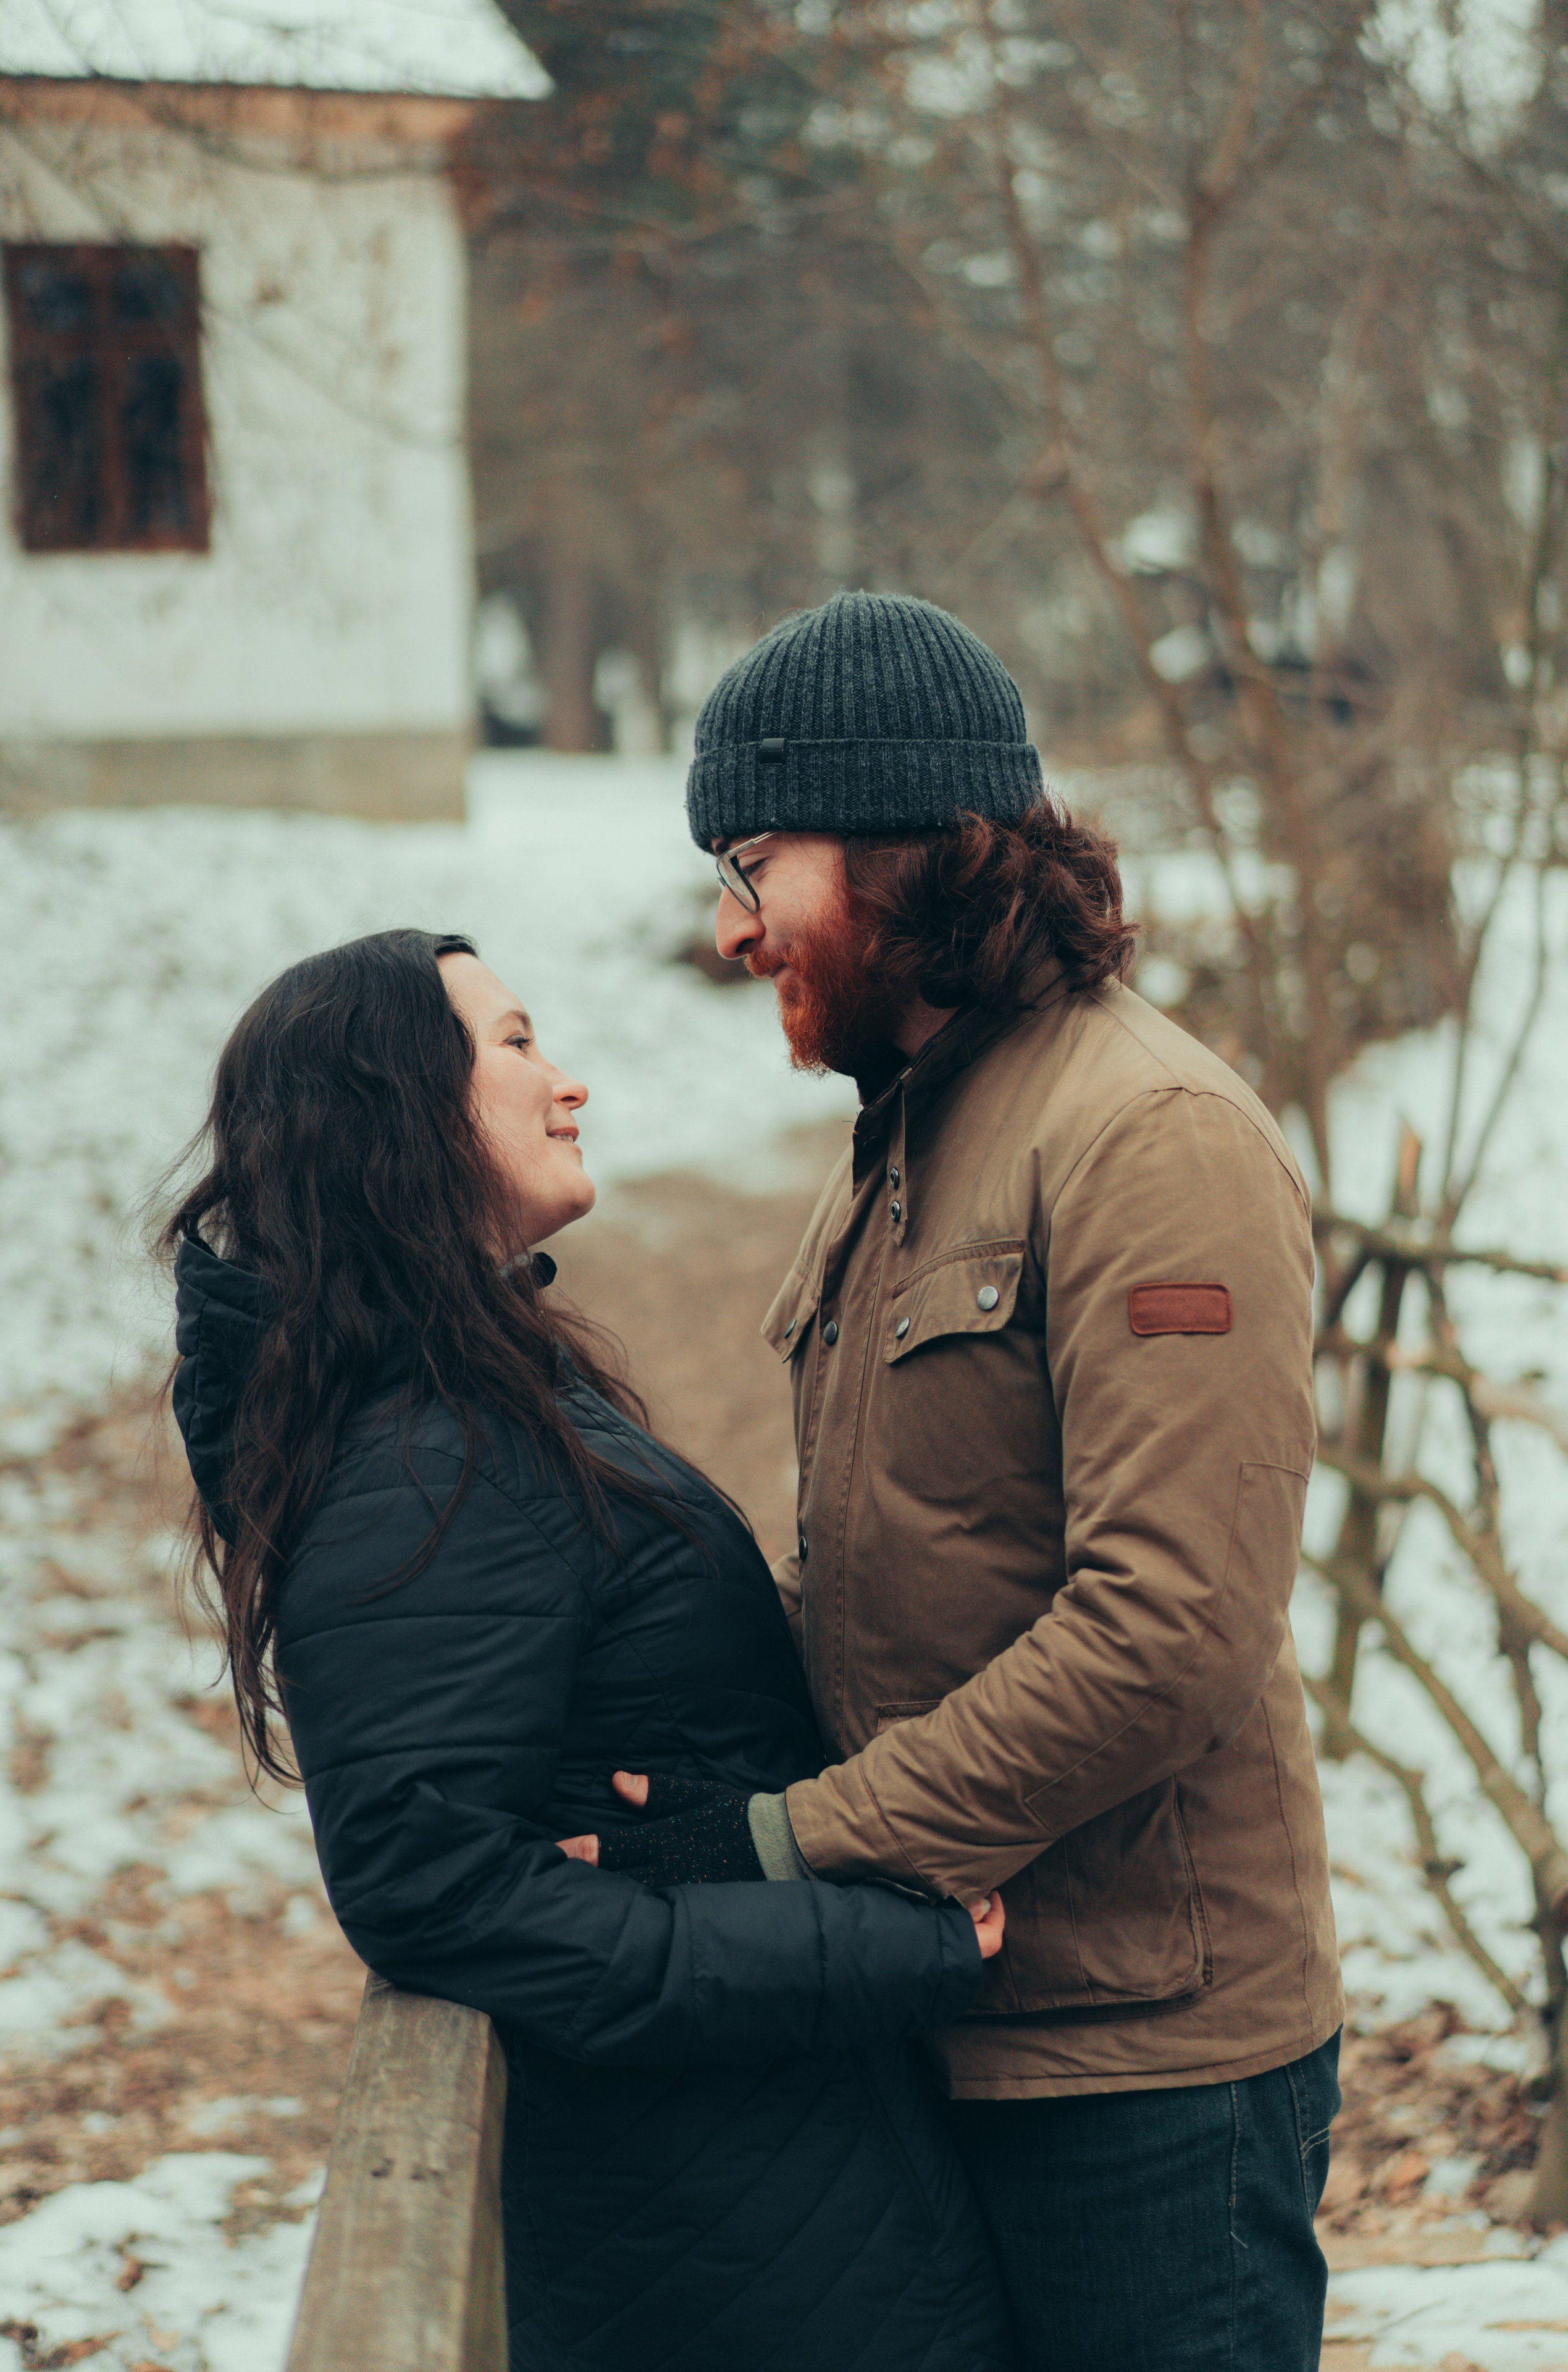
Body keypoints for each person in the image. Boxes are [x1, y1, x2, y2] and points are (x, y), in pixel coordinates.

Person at [574, 591, 1345, 2372]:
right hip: (961, 2004)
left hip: (1147, 2055)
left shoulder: (1147, 1138)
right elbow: (901, 1562)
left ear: (901, 842)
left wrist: (785, 1848)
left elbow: (1169, 1627)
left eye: (755, 859)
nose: (731, 923)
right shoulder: (915, 1125)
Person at [159, 928, 1015, 2372]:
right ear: (396, 1109)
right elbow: (426, 1886)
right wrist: (877, 1944)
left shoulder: (465, 1396)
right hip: (721, 2233)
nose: (568, 1084)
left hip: (760, 2183)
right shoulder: (424, 1458)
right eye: (513, 1043)